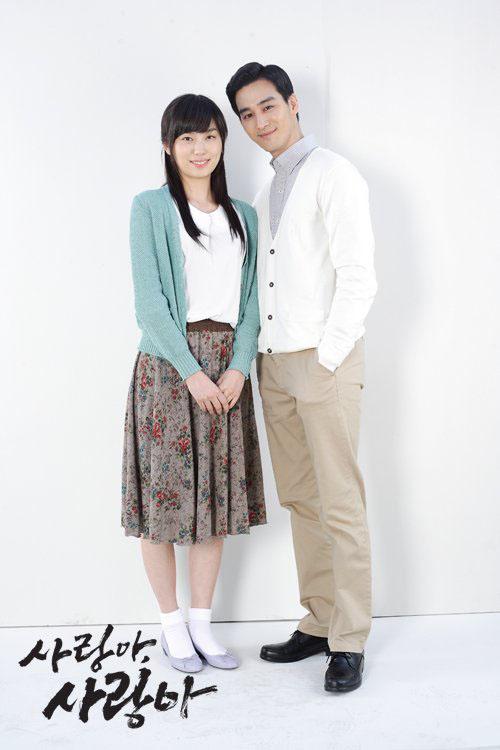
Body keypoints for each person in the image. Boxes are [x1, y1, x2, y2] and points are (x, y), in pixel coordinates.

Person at [225, 63, 377, 692]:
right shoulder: (267, 193)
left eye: (268, 106)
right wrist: (262, 359)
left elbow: (358, 275)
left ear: (292, 104)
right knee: (300, 499)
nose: (259, 121)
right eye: (247, 114)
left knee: (339, 501)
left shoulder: (333, 174)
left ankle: (350, 638)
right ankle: (318, 620)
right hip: (275, 365)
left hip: (323, 361)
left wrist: (327, 357)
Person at [121, 93, 267, 674]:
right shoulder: (150, 208)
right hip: (167, 369)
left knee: (216, 501)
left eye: (210, 136)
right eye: (187, 138)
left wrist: (237, 368)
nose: (200, 148)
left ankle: (203, 625)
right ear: (168, 146)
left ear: (222, 142)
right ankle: (171, 625)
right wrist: (192, 374)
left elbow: (253, 302)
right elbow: (149, 304)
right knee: (163, 502)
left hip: (227, 369)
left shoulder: (244, 216)